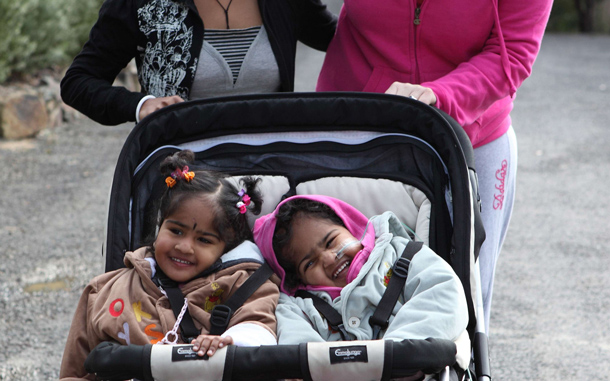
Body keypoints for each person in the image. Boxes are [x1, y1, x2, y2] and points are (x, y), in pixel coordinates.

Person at [315, 0, 553, 331]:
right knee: (344, 281)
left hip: (474, 136)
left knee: (467, 293)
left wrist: (437, 94)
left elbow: (511, 53)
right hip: (358, 124)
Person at [59, 150, 279, 380]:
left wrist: (233, 341)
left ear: (226, 247)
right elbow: (74, 372)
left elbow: (258, 323)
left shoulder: (244, 285)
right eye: (175, 231)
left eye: (204, 240)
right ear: (159, 225)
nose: (184, 247)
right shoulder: (104, 291)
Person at [252, 195, 470, 371]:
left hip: (413, 365)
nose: (329, 259)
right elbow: (296, 348)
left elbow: (443, 293)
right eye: (309, 264)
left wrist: (399, 355)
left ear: (351, 227)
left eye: (331, 242)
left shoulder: (402, 255)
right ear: (298, 281)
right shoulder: (300, 306)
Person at [60, 0, 337, 125]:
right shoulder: (140, 3)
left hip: (270, 170)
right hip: (181, 177)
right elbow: (78, 82)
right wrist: (141, 106)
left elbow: (351, 42)